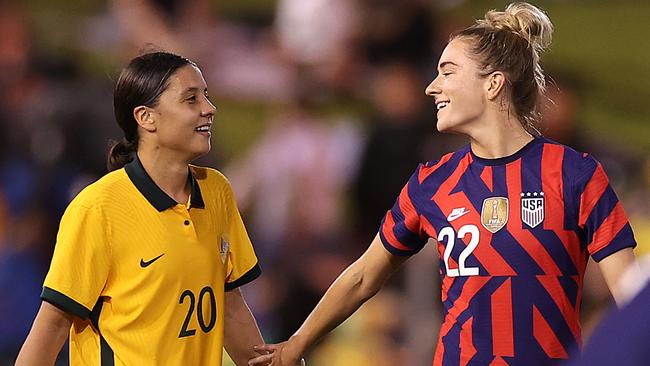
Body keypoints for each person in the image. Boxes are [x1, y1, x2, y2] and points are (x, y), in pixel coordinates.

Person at [249, 3, 639, 366]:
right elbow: (363, 276)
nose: (431, 87)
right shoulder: (432, 182)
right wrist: (296, 344)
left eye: (447, 72)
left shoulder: (575, 174)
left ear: (493, 84)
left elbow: (631, 297)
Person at [16, 51, 265, 365]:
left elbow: (228, 303)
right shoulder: (98, 208)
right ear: (146, 117)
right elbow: (53, 323)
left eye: (206, 96)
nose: (209, 108)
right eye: (191, 99)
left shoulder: (217, 191)